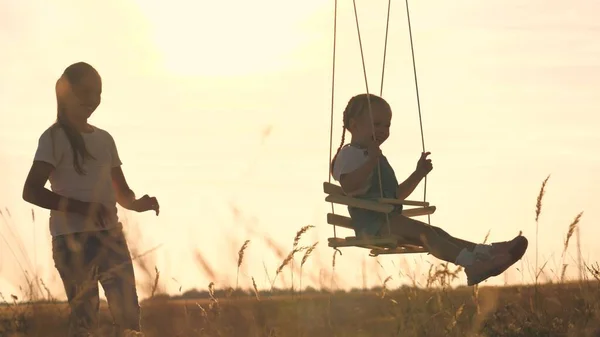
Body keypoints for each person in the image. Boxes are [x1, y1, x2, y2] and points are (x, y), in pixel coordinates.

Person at [330, 93, 528, 286]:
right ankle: (473, 265)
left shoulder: (372, 156)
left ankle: (487, 253)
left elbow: (395, 196)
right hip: (373, 225)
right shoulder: (350, 155)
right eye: (377, 124)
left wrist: (418, 174)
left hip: (385, 219)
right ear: (354, 125)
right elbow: (348, 186)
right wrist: (371, 160)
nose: (383, 130)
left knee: (437, 232)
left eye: (387, 125)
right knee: (427, 235)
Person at [22, 62, 159, 336]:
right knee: (85, 323)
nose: (92, 100)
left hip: (111, 238)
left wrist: (137, 204)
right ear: (66, 93)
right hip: (72, 241)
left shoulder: (105, 139)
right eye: (84, 92)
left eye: (97, 93)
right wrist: (81, 208)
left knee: (129, 319)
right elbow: (31, 191)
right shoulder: (52, 138)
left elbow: (121, 193)